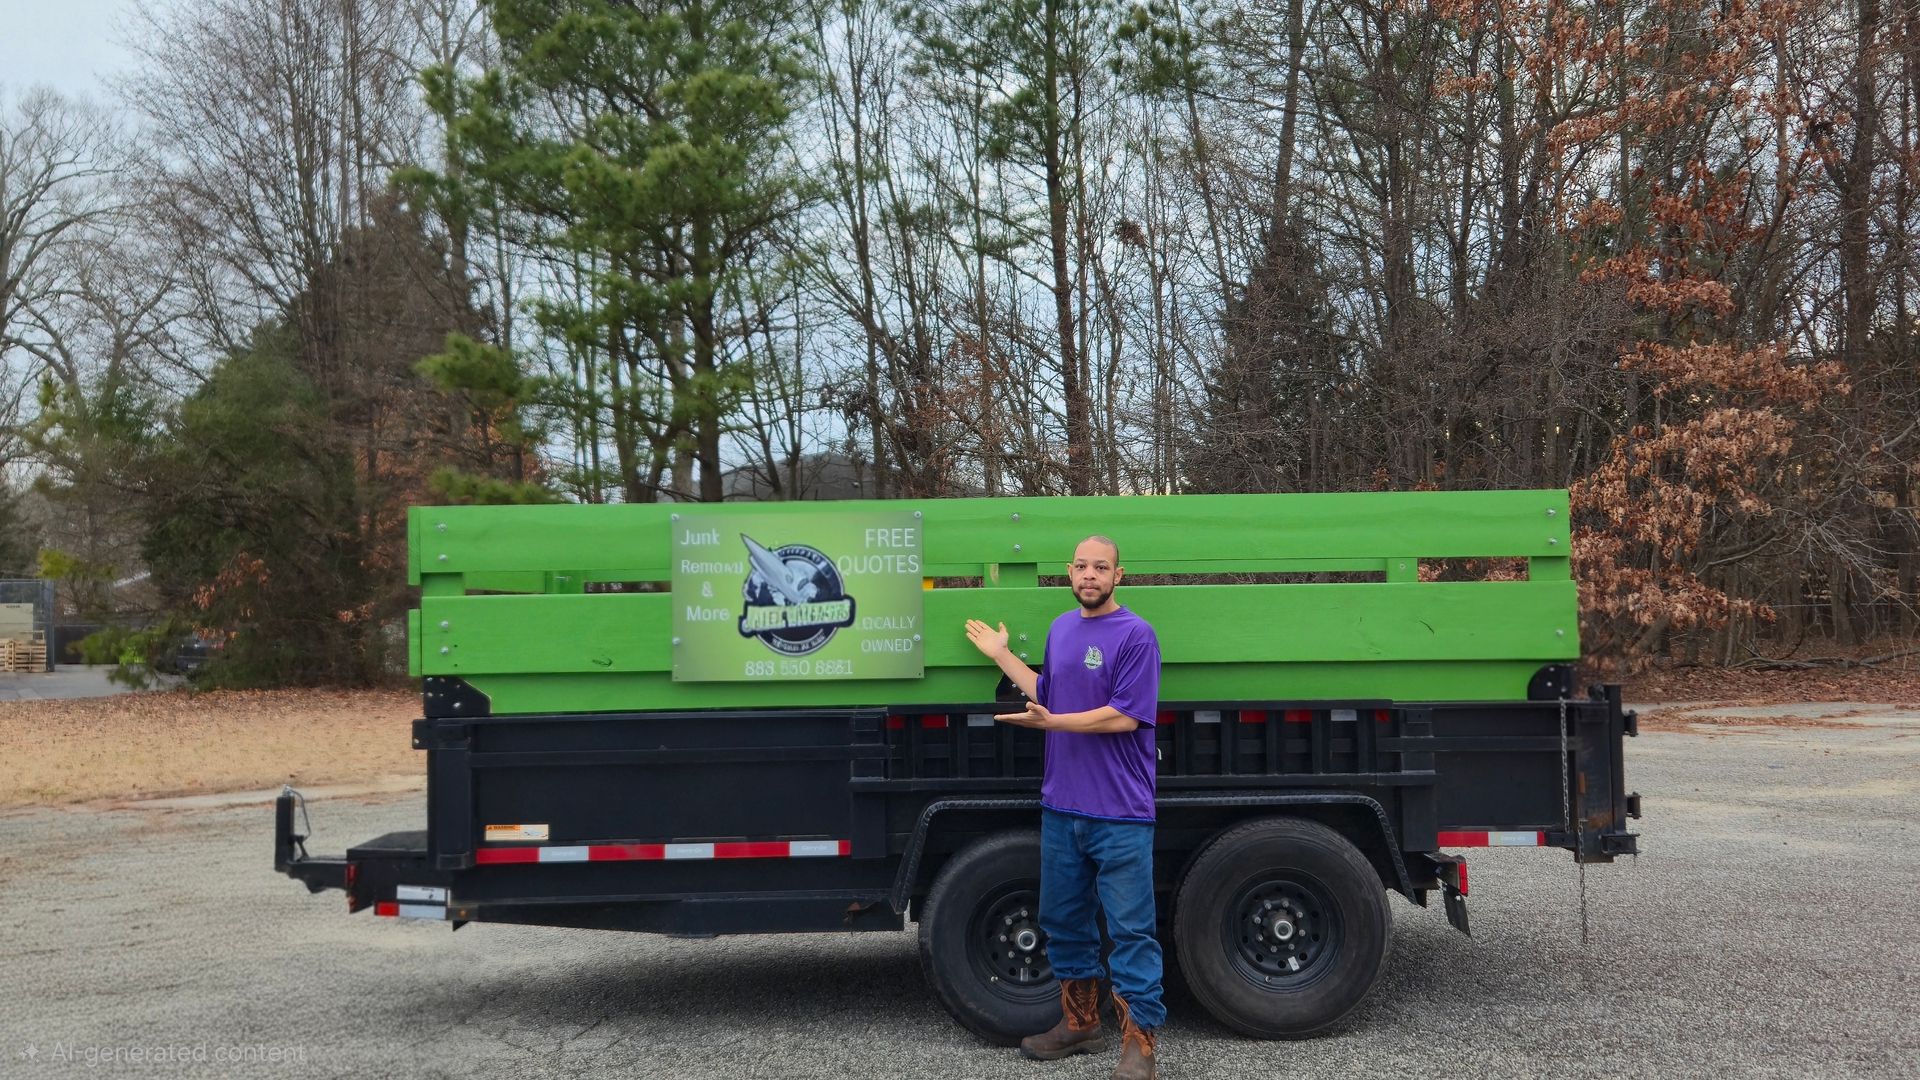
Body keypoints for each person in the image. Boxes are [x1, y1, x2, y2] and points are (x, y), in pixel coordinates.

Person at [964, 535, 1164, 1080]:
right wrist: (1003, 656)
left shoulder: (1136, 636)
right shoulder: (1060, 629)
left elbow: (1125, 716)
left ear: (1118, 575)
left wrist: (1052, 722)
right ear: (1069, 573)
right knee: (1064, 922)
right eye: (1081, 566)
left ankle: (1139, 1045)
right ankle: (1080, 1025)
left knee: (1130, 930)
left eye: (1101, 567)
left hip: (1120, 812)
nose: (1090, 574)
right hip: (1063, 808)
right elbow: (1047, 692)